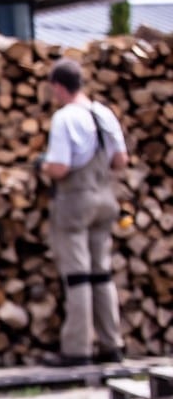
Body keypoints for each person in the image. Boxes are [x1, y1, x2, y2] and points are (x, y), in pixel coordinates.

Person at [38, 56, 129, 367]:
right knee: (101, 273)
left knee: (78, 276)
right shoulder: (103, 114)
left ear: (58, 87)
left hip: (76, 200)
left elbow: (61, 167)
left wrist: (43, 166)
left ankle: (78, 348)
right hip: (106, 196)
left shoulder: (66, 118)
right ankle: (111, 343)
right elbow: (120, 161)